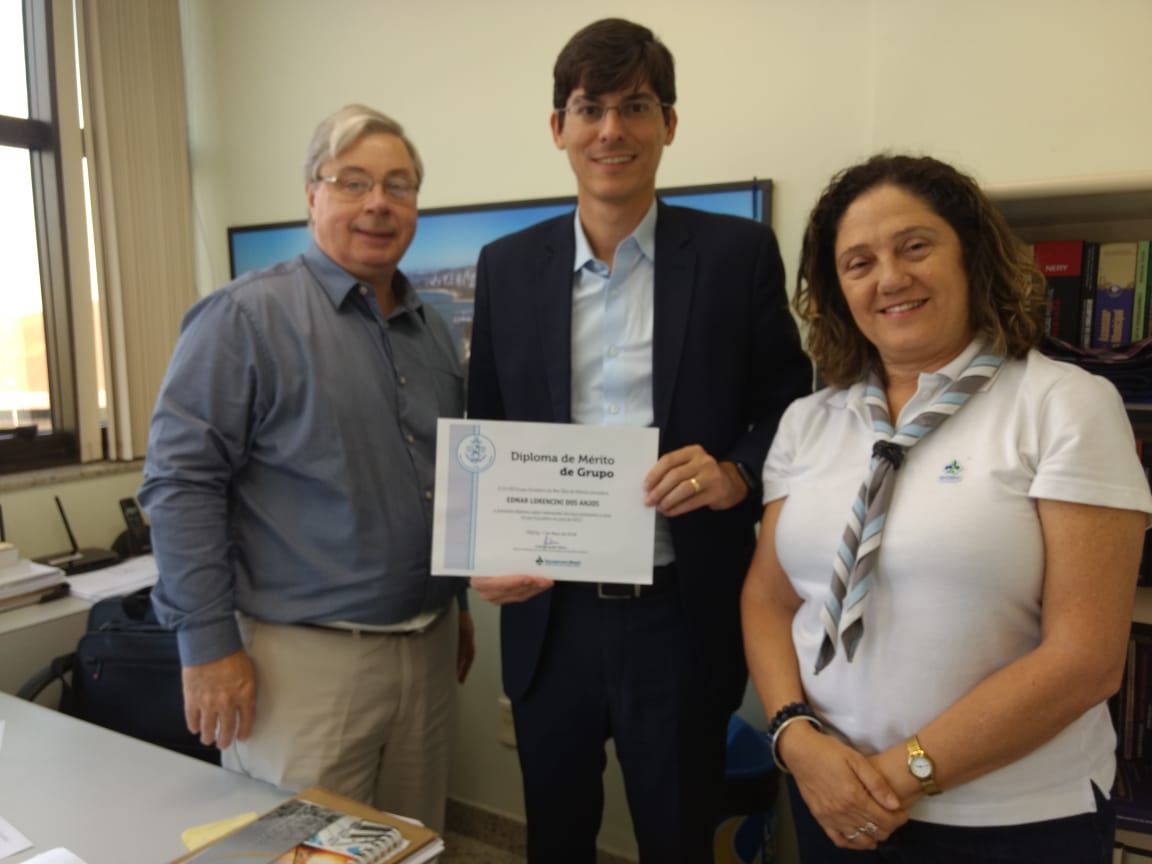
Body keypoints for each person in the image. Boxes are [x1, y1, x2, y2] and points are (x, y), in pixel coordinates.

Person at [465, 18, 811, 863]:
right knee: (556, 841)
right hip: (551, 614)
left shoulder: (735, 254)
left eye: (636, 106)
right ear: (559, 127)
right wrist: (481, 547)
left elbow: (790, 403)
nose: (611, 130)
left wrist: (737, 473)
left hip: (679, 612)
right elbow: (485, 428)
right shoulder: (507, 266)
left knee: (680, 840)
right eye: (590, 109)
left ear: (669, 123)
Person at [741, 153, 1152, 863]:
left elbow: (1086, 660)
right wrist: (794, 738)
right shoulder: (808, 422)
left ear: (971, 257)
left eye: (915, 247)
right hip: (829, 801)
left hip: (1011, 820)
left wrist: (895, 779)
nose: (890, 278)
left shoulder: (1064, 405)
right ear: (837, 290)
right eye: (859, 263)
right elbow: (769, 599)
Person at [138, 104, 472, 833]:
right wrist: (208, 646)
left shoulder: (433, 331)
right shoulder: (244, 319)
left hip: (428, 646)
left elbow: (445, 480)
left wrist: (460, 603)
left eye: (398, 184)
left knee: (411, 845)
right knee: (297, 849)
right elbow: (180, 485)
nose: (378, 203)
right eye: (352, 182)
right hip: (301, 665)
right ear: (312, 195)